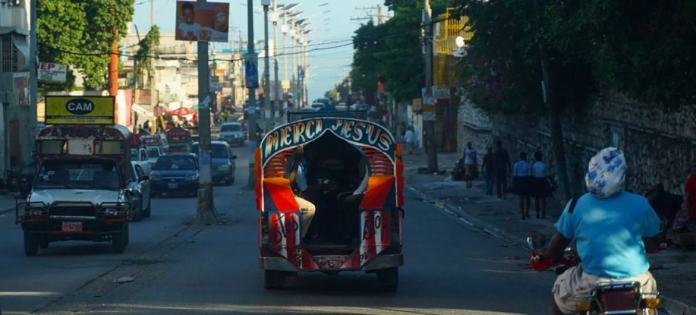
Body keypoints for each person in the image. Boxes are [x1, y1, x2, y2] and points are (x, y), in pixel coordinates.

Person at [533, 147, 661, 315]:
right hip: (637, 280)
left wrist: (547, 254)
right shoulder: (641, 204)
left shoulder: (576, 204)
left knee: (559, 293)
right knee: (652, 305)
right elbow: (653, 245)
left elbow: (556, 247)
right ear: (621, 175)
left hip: (593, 282)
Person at [287, 146, 317, 239]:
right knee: (311, 208)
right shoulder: (293, 162)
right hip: (287, 195)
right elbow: (292, 182)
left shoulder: (301, 162)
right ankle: (300, 237)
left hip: (294, 193)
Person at [512, 152, 532, 220]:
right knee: (527, 198)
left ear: (520, 157)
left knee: (521, 198)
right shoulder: (528, 165)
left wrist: (513, 184)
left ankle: (522, 213)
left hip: (519, 181)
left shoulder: (516, 164)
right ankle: (527, 212)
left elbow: (514, 175)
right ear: (525, 157)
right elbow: (529, 175)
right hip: (526, 180)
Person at [531, 151, 550, 218]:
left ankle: (537, 213)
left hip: (536, 181)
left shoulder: (533, 166)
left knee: (536, 198)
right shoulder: (544, 165)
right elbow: (547, 175)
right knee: (543, 198)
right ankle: (543, 213)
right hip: (543, 181)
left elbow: (532, 175)